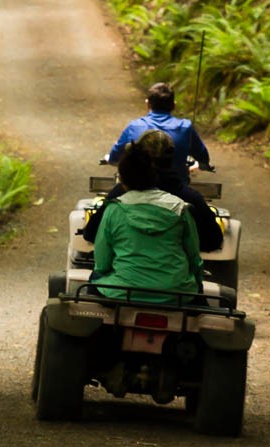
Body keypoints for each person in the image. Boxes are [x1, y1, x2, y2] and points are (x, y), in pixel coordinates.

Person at [91, 141, 203, 304]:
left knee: (92, 283)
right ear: (153, 176)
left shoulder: (113, 209)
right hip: (177, 294)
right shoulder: (180, 208)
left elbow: (102, 263)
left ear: (122, 180)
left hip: (122, 291)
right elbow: (194, 258)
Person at [84, 130, 223, 252]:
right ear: (172, 157)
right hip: (175, 277)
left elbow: (91, 233)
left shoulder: (119, 195)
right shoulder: (190, 200)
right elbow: (213, 241)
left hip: (123, 274)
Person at [106, 81, 213, 183]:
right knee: (198, 202)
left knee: (110, 200)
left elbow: (114, 158)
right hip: (175, 189)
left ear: (148, 104)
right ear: (173, 105)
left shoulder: (134, 126)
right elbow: (203, 158)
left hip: (139, 187)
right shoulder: (185, 127)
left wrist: (112, 160)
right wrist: (202, 165)